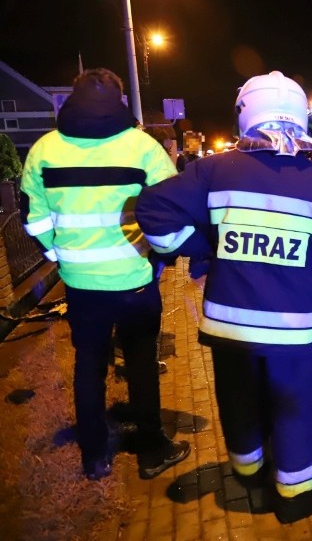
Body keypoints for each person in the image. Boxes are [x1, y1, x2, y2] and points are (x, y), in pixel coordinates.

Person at [134, 70, 312, 524]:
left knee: (238, 402)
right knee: (294, 409)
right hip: (292, 333)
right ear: (298, 119)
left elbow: (152, 211)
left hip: (229, 328)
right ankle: (295, 498)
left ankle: (249, 473)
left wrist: (203, 246)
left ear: (245, 115)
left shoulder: (213, 172)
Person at [19, 68, 191, 481]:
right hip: (135, 278)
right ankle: (152, 449)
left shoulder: (44, 150)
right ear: (118, 101)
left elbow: (33, 219)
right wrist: (163, 257)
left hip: (81, 283)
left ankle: (95, 456)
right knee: (142, 364)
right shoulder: (143, 147)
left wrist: (61, 256)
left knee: (89, 364)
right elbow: (170, 211)